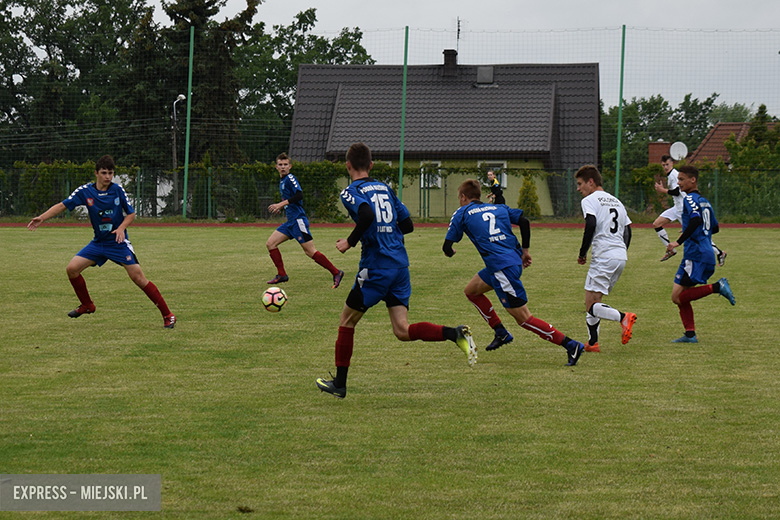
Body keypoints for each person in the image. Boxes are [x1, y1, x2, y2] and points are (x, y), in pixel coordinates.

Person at [315, 143, 477, 399]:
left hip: (376, 268)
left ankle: (340, 384)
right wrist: (389, 234)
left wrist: (350, 241)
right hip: (400, 267)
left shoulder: (351, 191)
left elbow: (366, 215)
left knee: (346, 321)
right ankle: (454, 333)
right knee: (401, 330)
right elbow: (408, 225)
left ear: (348, 166)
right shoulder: (385, 188)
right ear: (370, 165)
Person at [442, 179, 586, 366]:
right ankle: (500, 332)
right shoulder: (498, 208)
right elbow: (524, 221)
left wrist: (449, 252)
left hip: (502, 269)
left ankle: (570, 345)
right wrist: (525, 251)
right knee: (471, 291)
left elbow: (447, 246)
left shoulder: (462, 213)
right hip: (509, 263)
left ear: (462, 197)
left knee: (524, 319)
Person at [27, 155, 176, 328]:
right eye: (104, 173)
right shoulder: (85, 191)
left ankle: (168, 315)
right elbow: (63, 205)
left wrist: (120, 228)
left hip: (117, 243)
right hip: (98, 243)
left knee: (138, 278)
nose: (107, 176)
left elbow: (131, 214)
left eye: (111, 173)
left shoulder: (117, 190)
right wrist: (42, 218)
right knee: (72, 269)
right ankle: (87, 305)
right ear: (96, 173)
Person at [665, 165, 735, 343]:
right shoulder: (705, 201)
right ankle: (690, 334)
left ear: (692, 180)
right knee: (680, 296)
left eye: (681, 179)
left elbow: (696, 219)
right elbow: (715, 227)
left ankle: (717, 287)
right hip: (705, 252)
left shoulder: (689, 198)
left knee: (677, 297)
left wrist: (678, 242)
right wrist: (702, 236)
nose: (679, 183)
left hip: (694, 254)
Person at [575, 165, 637, 353]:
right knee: (595, 299)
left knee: (591, 304)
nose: (578, 189)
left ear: (591, 182)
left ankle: (623, 317)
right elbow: (628, 231)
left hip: (603, 256)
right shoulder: (617, 201)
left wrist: (583, 252)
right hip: (620, 256)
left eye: (580, 184)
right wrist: (620, 252)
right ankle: (593, 343)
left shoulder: (590, 200)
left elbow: (591, 223)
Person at [266, 152, 344, 288]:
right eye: (280, 165)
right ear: (276, 167)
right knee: (271, 244)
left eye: (285, 165)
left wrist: (280, 204)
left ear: (290, 166)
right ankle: (282, 275)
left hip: (298, 221)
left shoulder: (290, 178)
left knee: (310, 251)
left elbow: (299, 195)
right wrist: (282, 207)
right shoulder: (283, 181)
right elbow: (289, 200)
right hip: (290, 222)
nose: (283, 167)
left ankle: (336, 272)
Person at [654, 155, 727, 265]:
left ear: (672, 163)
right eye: (663, 165)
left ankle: (719, 252)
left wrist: (662, 190)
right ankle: (671, 249)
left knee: (698, 234)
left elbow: (676, 192)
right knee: (656, 224)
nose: (665, 167)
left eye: (667, 164)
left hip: (684, 209)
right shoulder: (671, 175)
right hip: (676, 208)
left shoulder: (675, 175)